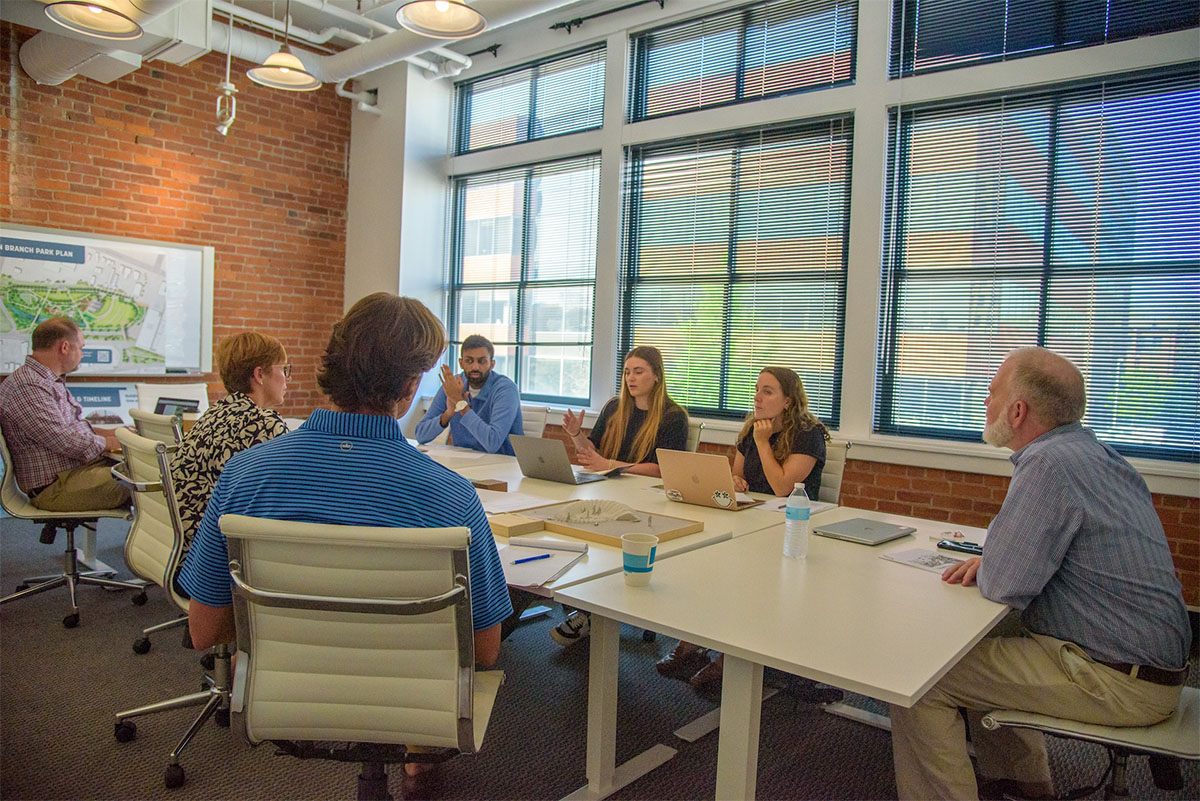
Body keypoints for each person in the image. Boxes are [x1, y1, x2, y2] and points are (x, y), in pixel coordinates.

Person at [890, 347, 1191, 801]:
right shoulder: (1099, 455)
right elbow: (1023, 564)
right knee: (988, 640)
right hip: (1153, 666)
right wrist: (996, 561)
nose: (984, 401)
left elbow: (1005, 583)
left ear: (1017, 410)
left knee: (918, 678)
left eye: (991, 392)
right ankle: (1021, 786)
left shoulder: (1047, 464)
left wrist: (994, 565)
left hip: (1118, 682)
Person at [177, 293, 513, 676]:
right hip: (404, 696)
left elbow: (204, 632)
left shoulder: (244, 475)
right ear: (409, 385)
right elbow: (485, 648)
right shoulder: (453, 498)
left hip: (281, 688)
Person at [657, 367, 833, 694]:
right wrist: (734, 481)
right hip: (752, 519)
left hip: (792, 527)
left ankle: (729, 656)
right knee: (709, 559)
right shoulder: (751, 427)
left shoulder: (808, 433)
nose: (757, 397)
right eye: (756, 389)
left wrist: (763, 443)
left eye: (767, 391)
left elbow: (783, 487)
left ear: (787, 401)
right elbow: (738, 477)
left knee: (748, 573)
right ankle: (696, 637)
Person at [550, 345, 688, 647]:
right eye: (627, 372)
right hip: (607, 491)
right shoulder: (614, 408)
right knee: (571, 528)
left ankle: (591, 611)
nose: (631, 378)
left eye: (638, 372)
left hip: (646, 499)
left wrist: (610, 465)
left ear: (656, 376)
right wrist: (576, 435)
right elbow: (592, 455)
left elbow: (663, 470)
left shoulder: (673, 417)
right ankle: (582, 606)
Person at [170, 332, 290, 552]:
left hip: (183, 545)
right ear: (260, 374)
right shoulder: (263, 424)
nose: (287, 378)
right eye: (283, 369)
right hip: (212, 553)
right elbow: (286, 496)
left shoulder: (217, 412)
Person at [0, 316, 129, 512]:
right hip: (56, 487)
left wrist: (115, 434)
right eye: (81, 348)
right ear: (65, 347)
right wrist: (111, 443)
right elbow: (62, 440)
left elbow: (70, 429)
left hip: (72, 473)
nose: (83, 355)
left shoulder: (46, 381)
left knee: (148, 468)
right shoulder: (29, 385)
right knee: (147, 478)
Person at [414, 334, 523, 455]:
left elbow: (492, 443)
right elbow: (420, 435)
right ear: (461, 363)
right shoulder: (453, 385)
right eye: (469, 361)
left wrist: (461, 405)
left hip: (503, 465)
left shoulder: (505, 389)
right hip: (463, 461)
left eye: (482, 361)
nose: (475, 367)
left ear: (492, 364)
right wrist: (448, 413)